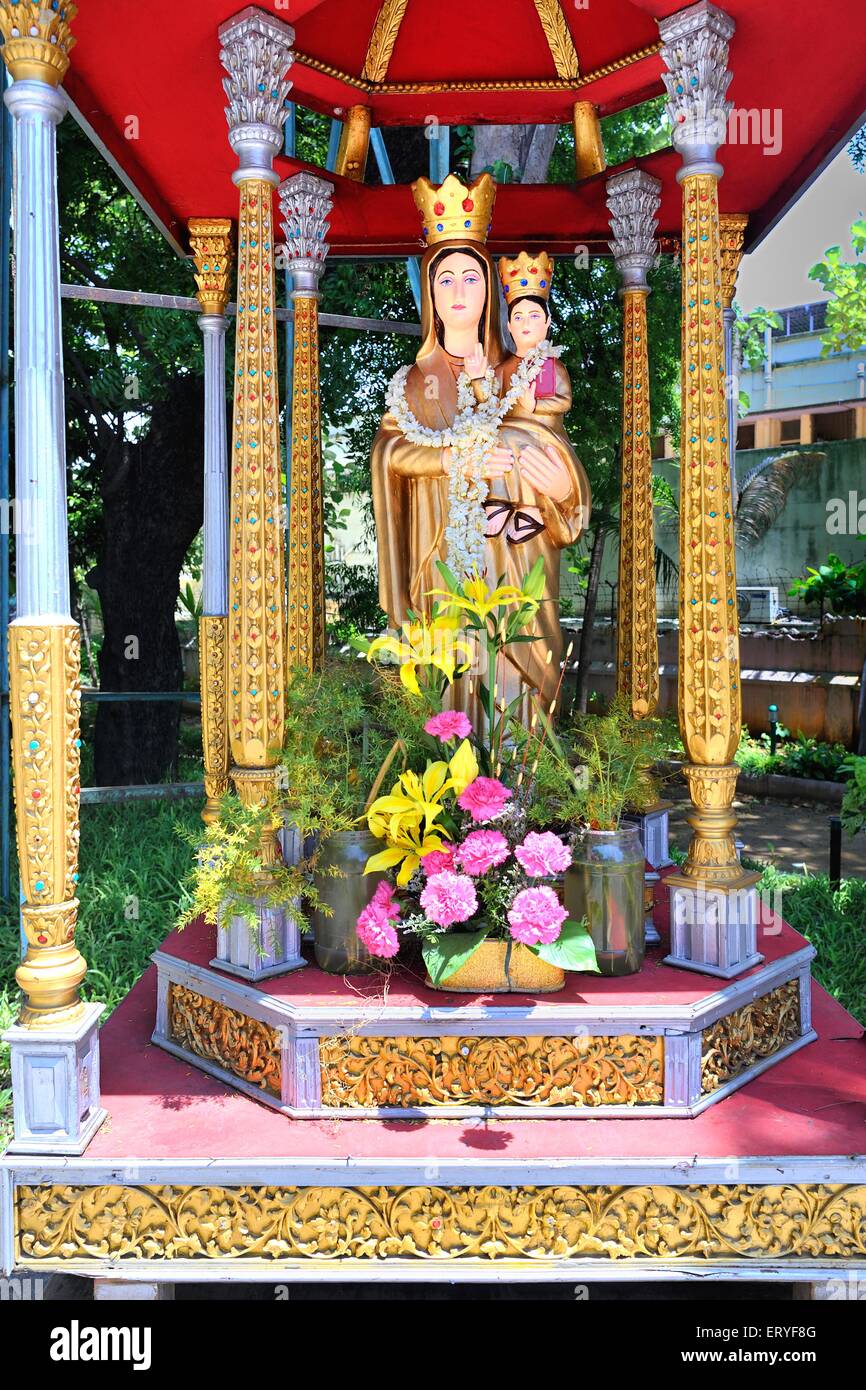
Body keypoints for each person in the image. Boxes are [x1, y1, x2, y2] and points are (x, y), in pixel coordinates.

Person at [371, 173, 590, 715]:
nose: (460, 291)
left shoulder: (518, 373)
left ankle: (514, 790)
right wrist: (448, 459)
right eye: (446, 279)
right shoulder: (412, 381)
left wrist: (565, 491)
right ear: (429, 290)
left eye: (472, 277)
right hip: (439, 556)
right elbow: (388, 456)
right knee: (447, 685)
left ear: (491, 289)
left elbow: (551, 446)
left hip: (512, 557)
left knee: (513, 683)